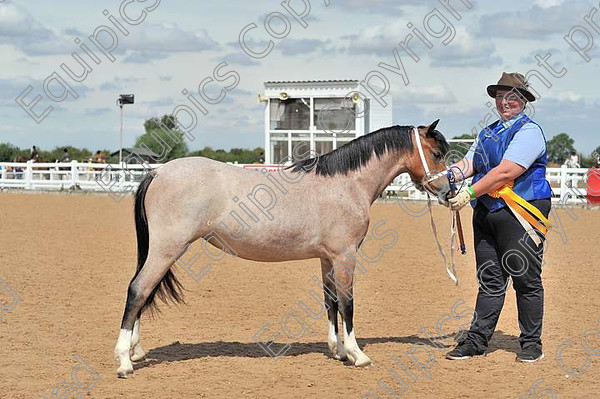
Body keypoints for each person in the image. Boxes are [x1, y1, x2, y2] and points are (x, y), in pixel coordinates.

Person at [444, 72, 553, 363]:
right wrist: (449, 175)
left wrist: (468, 192)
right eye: (500, 96)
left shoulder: (529, 132)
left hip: (521, 212)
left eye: (513, 96)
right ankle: (477, 340)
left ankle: (531, 343)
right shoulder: (487, 133)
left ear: (524, 101)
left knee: (526, 278)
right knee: (489, 279)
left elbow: (505, 172)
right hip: (488, 214)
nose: (506, 102)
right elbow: (470, 162)